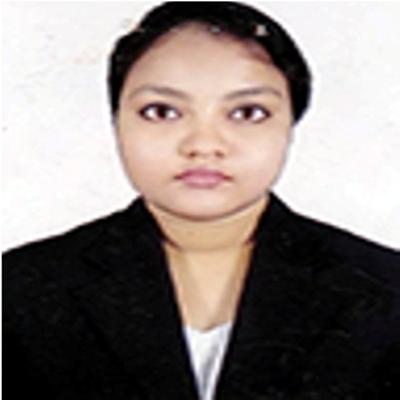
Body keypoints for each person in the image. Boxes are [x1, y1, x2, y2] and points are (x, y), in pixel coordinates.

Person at [3, 2, 399, 400]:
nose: (204, 145)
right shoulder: (19, 289)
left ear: (290, 125)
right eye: (161, 111)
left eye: (247, 112)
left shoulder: (386, 289)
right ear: (117, 123)